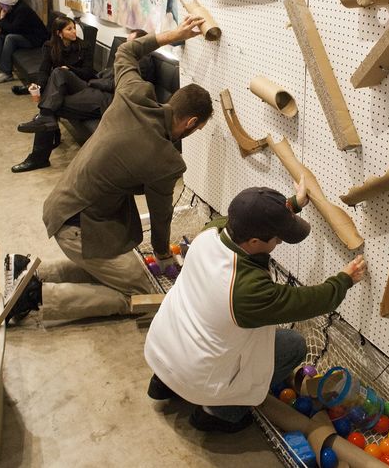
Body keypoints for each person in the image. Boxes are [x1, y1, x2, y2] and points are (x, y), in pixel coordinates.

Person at [6, 14, 213, 324]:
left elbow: (125, 52)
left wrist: (174, 35)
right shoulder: (167, 161)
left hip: (61, 204)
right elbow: (160, 219)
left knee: (113, 270)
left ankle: (28, 271)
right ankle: (36, 298)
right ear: (191, 122)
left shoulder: (132, 94)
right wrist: (166, 258)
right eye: (195, 130)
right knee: (143, 294)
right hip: (80, 226)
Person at [143, 180, 367, 433]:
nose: (280, 242)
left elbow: (249, 215)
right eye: (277, 237)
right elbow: (309, 301)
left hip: (162, 350)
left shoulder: (212, 232)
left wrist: (292, 205)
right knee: (293, 344)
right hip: (199, 379)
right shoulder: (246, 290)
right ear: (253, 242)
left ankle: (164, 383)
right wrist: (345, 279)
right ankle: (218, 413)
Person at [12, 28, 147, 173]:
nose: (124, 46)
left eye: (129, 43)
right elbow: (105, 74)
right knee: (59, 72)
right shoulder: (127, 56)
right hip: (94, 89)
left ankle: (39, 156)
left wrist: (93, 81)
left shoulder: (144, 62)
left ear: (141, 44)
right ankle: (47, 121)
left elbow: (119, 85)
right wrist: (95, 79)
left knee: (52, 104)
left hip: (105, 99)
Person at [0, 0, 49, 83]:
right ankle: (1, 65)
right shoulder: (11, 9)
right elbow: (3, 27)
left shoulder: (22, 10)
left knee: (10, 38)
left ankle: (7, 73)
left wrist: (2, 19)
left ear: (9, 4)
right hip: (25, 35)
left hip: (36, 39)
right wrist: (1, 21)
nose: (0, 6)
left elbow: (12, 29)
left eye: (2, 4)